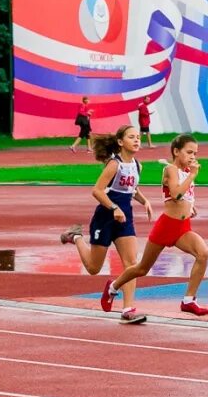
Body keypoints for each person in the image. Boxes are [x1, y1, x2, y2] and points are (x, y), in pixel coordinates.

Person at [100, 133, 208, 322]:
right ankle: (113, 288)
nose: (193, 157)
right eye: (189, 152)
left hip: (183, 227)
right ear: (176, 152)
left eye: (195, 153)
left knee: (203, 253)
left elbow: (184, 197)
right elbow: (175, 194)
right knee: (142, 268)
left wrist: (190, 207)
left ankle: (188, 300)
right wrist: (192, 175)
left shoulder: (185, 172)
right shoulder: (171, 169)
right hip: (167, 226)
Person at [60, 125, 154, 321]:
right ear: (120, 142)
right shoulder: (114, 164)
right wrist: (114, 208)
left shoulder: (138, 165)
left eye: (138, 137)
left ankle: (128, 309)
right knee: (94, 268)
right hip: (105, 217)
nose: (137, 140)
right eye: (131, 137)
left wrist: (145, 201)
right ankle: (76, 236)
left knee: (131, 263)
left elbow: (132, 189)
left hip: (124, 218)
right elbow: (97, 191)